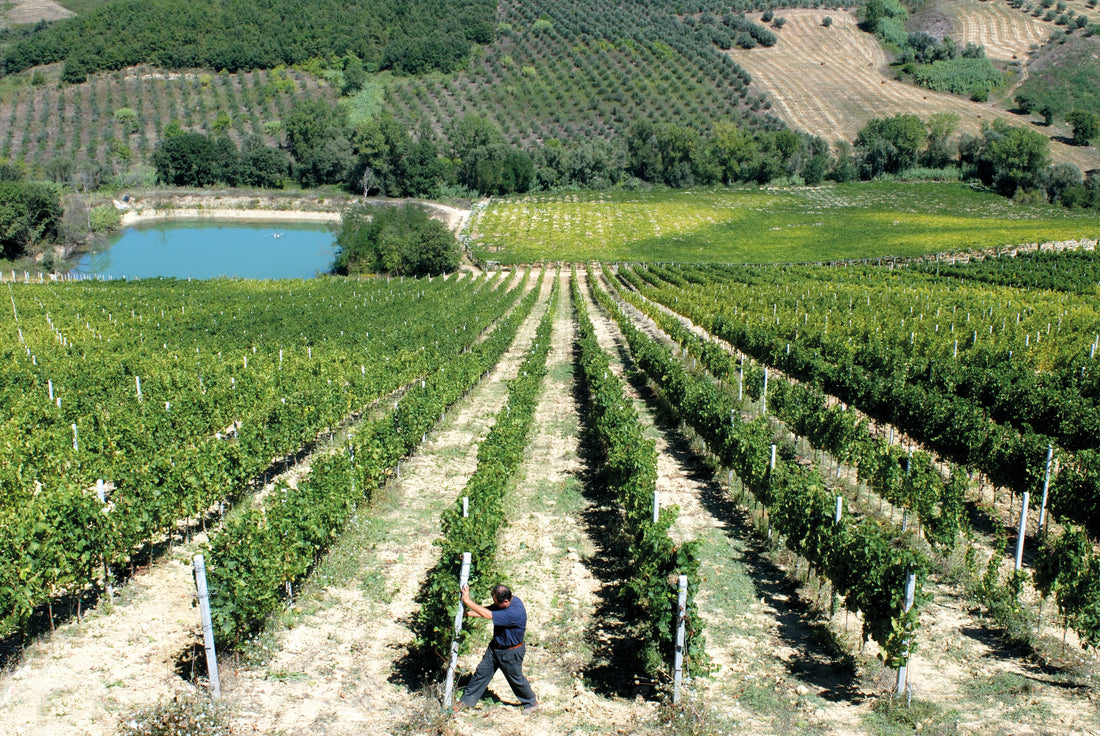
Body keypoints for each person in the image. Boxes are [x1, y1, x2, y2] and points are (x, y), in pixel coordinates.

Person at [454, 583, 538, 714]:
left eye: (496, 601)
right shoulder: (509, 601)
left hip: (511, 652)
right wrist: (469, 613)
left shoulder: (514, 612)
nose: (494, 603)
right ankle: (466, 701)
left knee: (515, 679)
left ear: (505, 601)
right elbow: (490, 610)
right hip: (495, 647)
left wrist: (468, 601)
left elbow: (488, 615)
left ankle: (531, 702)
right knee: (481, 673)